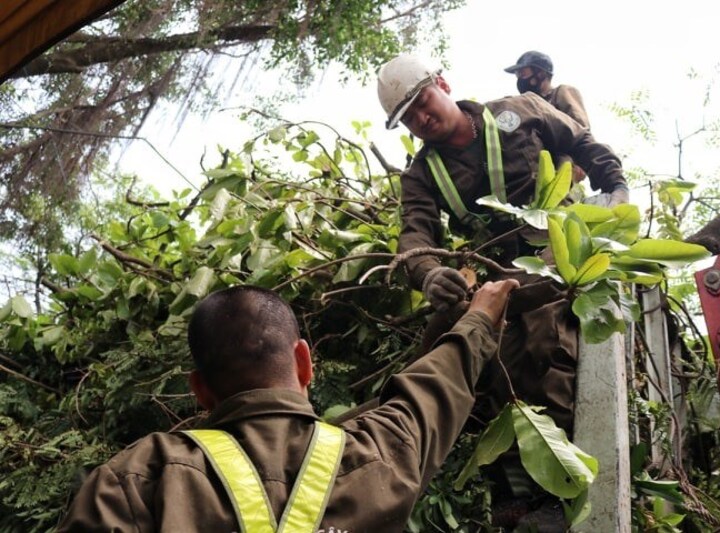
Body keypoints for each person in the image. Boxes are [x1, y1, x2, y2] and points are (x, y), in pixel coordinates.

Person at [376, 54, 630, 530]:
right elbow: (415, 240)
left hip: (557, 247)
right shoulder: (421, 175)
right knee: (495, 366)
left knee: (545, 341)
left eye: (423, 102)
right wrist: (429, 274)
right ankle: (523, 497)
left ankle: (563, 493)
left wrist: (615, 187)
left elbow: (580, 141)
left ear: (443, 84)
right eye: (408, 117)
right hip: (497, 270)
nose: (421, 118)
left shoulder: (519, 109)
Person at [58, 280, 519, 532]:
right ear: (304, 361)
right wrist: (480, 316)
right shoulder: (377, 448)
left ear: (199, 389)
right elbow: (435, 385)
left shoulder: (135, 480)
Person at [505, 50, 591, 186]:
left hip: (560, 168)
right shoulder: (525, 104)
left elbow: (580, 129)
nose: (519, 79)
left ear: (541, 73)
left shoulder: (562, 92)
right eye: (517, 75)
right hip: (533, 169)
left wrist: (581, 162)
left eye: (523, 73)